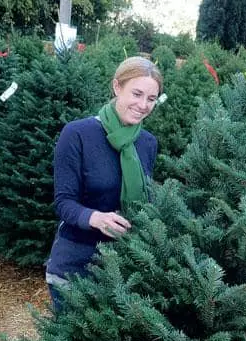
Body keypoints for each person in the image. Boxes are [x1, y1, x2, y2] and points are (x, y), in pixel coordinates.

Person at [45, 56, 163, 309]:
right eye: (137, 94)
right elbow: (63, 202)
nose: (143, 105)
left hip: (124, 267)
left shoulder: (147, 143)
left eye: (151, 99)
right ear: (117, 87)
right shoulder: (77, 134)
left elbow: (147, 199)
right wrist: (96, 218)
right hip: (76, 264)